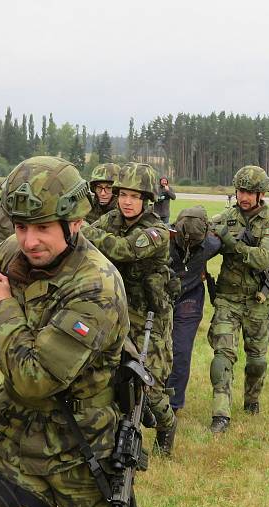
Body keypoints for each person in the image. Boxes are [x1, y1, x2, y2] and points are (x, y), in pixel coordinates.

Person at [0, 156, 132, 507]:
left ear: (74, 224)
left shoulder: (97, 285)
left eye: (42, 228)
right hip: (16, 444)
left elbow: (35, 378)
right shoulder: (12, 254)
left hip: (83, 451)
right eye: (21, 227)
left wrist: (2, 304)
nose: (29, 241)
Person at [83, 162, 178, 457]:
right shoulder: (110, 220)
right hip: (117, 311)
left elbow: (122, 249)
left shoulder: (156, 230)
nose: (126, 201)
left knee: (149, 384)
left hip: (150, 317)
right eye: (122, 194)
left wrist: (83, 228)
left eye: (134, 196)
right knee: (112, 377)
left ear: (147, 200)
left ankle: (167, 424)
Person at [207, 165, 269, 433]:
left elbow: (264, 258)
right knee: (222, 356)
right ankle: (220, 415)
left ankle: (251, 401)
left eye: (250, 192)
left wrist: (232, 244)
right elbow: (205, 236)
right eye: (241, 190)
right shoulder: (226, 217)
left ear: (261, 194)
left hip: (257, 303)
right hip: (228, 299)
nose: (244, 197)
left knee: (257, 362)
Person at [166, 206, 221, 413]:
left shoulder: (212, 244)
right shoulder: (162, 238)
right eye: (184, 239)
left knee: (181, 350)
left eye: (195, 241)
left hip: (190, 298)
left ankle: (173, 404)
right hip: (161, 296)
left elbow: (222, 234)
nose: (188, 244)